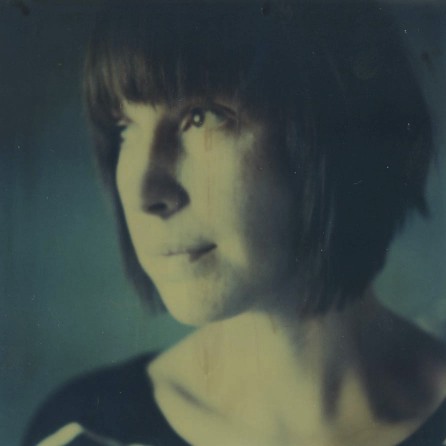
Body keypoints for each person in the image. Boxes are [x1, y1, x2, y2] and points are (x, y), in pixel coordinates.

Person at [23, 1, 446, 445]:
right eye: (124, 127)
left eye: (201, 117)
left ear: (341, 130)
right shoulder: (82, 430)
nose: (145, 192)